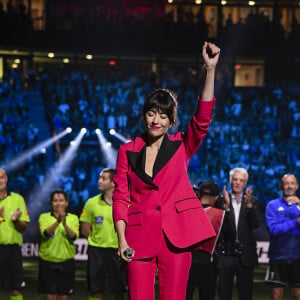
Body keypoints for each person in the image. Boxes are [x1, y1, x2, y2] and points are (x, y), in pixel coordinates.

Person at [112, 41, 220, 300]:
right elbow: (120, 198)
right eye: (151, 113)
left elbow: (203, 119)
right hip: (137, 238)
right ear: (143, 117)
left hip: (176, 237)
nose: (155, 120)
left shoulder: (182, 144)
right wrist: (122, 240)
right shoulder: (127, 150)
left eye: (162, 115)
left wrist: (211, 70)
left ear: (171, 120)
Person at [80, 168, 127, 300]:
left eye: (103, 178)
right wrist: (97, 241)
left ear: (113, 183)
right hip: (96, 252)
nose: (99, 181)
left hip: (118, 251)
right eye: (100, 177)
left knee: (120, 290)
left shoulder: (125, 203)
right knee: (95, 290)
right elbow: (85, 229)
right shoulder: (91, 203)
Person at [215, 167, 260, 300]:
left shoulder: (253, 201)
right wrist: (226, 208)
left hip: (246, 254)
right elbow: (219, 229)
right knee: (224, 293)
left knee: (245, 294)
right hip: (226, 255)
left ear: (245, 183)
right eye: (235, 179)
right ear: (230, 181)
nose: (238, 183)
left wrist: (249, 206)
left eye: (241, 180)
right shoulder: (222, 201)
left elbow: (255, 225)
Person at [186, 181, 225, 300]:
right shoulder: (221, 215)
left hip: (186, 262)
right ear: (216, 198)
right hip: (208, 262)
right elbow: (229, 237)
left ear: (198, 194)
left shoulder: (187, 211)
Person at [38, 189, 79, 300]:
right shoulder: (44, 217)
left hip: (66, 261)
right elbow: (45, 234)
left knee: (64, 296)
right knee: (50, 296)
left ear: (66, 203)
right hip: (47, 260)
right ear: (51, 203)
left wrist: (65, 224)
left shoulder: (74, 218)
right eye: (55, 200)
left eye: (61, 200)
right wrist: (58, 222)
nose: (58, 203)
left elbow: (74, 237)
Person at [265, 174, 300, 300]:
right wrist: (296, 222)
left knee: (297, 294)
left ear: (297, 186)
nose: (289, 186)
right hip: (278, 256)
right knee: (276, 295)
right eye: (286, 183)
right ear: (281, 186)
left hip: (298, 257)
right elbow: (273, 230)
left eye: (292, 183)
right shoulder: (272, 205)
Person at [0, 168, 30, 300]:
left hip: (12, 251)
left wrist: (16, 220)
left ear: (6, 179)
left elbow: (23, 228)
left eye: (1, 177)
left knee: (15, 290)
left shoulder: (18, 199)